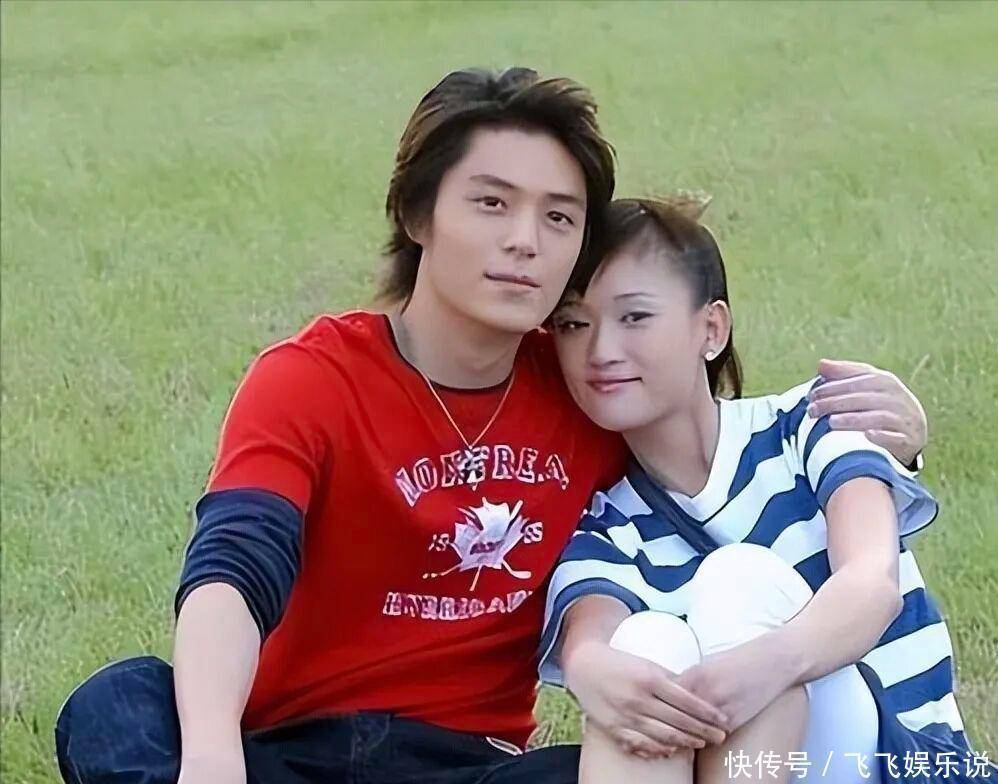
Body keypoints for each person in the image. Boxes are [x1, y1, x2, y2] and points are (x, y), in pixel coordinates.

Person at [55, 69, 930, 784]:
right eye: (491, 203)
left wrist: (892, 430)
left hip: (472, 763)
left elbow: (713, 443)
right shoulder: (310, 377)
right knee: (119, 706)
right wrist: (213, 756)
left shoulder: (586, 384)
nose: (525, 241)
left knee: (631, 751)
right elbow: (236, 565)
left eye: (559, 217)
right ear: (417, 215)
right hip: (288, 749)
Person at [540, 197, 992, 782]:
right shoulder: (605, 522)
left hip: (900, 763)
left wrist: (764, 668)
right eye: (574, 324)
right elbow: (592, 646)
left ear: (711, 329)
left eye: (635, 317)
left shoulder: (810, 423)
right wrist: (595, 674)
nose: (600, 351)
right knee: (645, 641)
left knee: (740, 580)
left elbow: (872, 585)